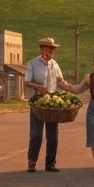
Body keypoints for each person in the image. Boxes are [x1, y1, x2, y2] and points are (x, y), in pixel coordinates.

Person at [23, 37, 67, 172]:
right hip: (37, 102)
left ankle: (50, 163)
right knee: (36, 134)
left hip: (52, 102)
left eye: (49, 51)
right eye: (44, 50)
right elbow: (27, 82)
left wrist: (71, 88)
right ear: (41, 50)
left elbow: (61, 81)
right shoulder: (32, 64)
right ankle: (32, 161)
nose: (46, 53)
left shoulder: (55, 65)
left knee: (53, 135)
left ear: (53, 52)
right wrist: (38, 87)